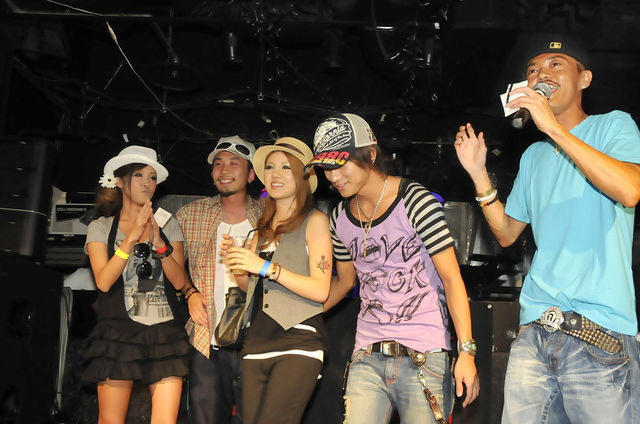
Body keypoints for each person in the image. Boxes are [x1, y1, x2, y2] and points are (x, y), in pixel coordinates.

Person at [454, 34, 640, 423]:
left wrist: (553, 128)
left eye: (556, 64)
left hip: (599, 331)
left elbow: (630, 189)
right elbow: (506, 232)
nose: (542, 73)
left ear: (584, 78)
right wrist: (478, 174)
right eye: (533, 69)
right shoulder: (534, 156)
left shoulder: (614, 125)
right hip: (535, 331)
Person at [307, 113, 479, 424]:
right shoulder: (339, 217)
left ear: (370, 154)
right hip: (367, 355)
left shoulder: (415, 201)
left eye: (341, 164)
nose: (332, 176)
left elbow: (452, 279)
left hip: (424, 354)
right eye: (326, 167)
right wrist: (299, 318)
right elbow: (345, 282)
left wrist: (466, 351)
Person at [221, 137, 333, 424]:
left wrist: (266, 267)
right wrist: (237, 263)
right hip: (257, 340)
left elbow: (321, 290)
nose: (275, 174)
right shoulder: (260, 230)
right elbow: (250, 289)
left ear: (302, 176)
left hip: (299, 339)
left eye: (286, 167)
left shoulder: (315, 221)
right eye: (270, 167)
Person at [84, 145, 190, 424]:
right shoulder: (101, 227)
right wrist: (131, 237)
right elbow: (103, 281)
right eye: (139, 175)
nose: (147, 183)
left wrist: (159, 244)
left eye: (153, 177)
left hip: (165, 332)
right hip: (118, 333)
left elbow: (180, 281)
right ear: (120, 181)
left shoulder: (168, 224)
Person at [176, 136, 264, 424]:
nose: (224, 169)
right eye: (218, 163)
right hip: (206, 340)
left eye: (234, 163)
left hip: (258, 342)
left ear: (251, 175)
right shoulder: (191, 213)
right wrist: (189, 293)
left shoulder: (269, 216)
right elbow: (171, 265)